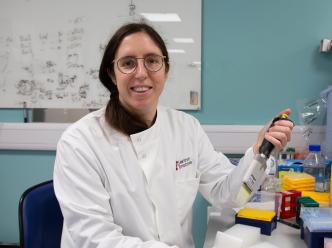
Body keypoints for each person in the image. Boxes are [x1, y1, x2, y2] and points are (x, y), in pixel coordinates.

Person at [53, 22, 294, 248]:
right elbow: (96, 240)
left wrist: (259, 153)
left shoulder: (186, 128)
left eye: (152, 61)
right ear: (112, 74)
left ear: (165, 70)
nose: (141, 73)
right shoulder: (80, 143)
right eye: (127, 63)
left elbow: (229, 197)